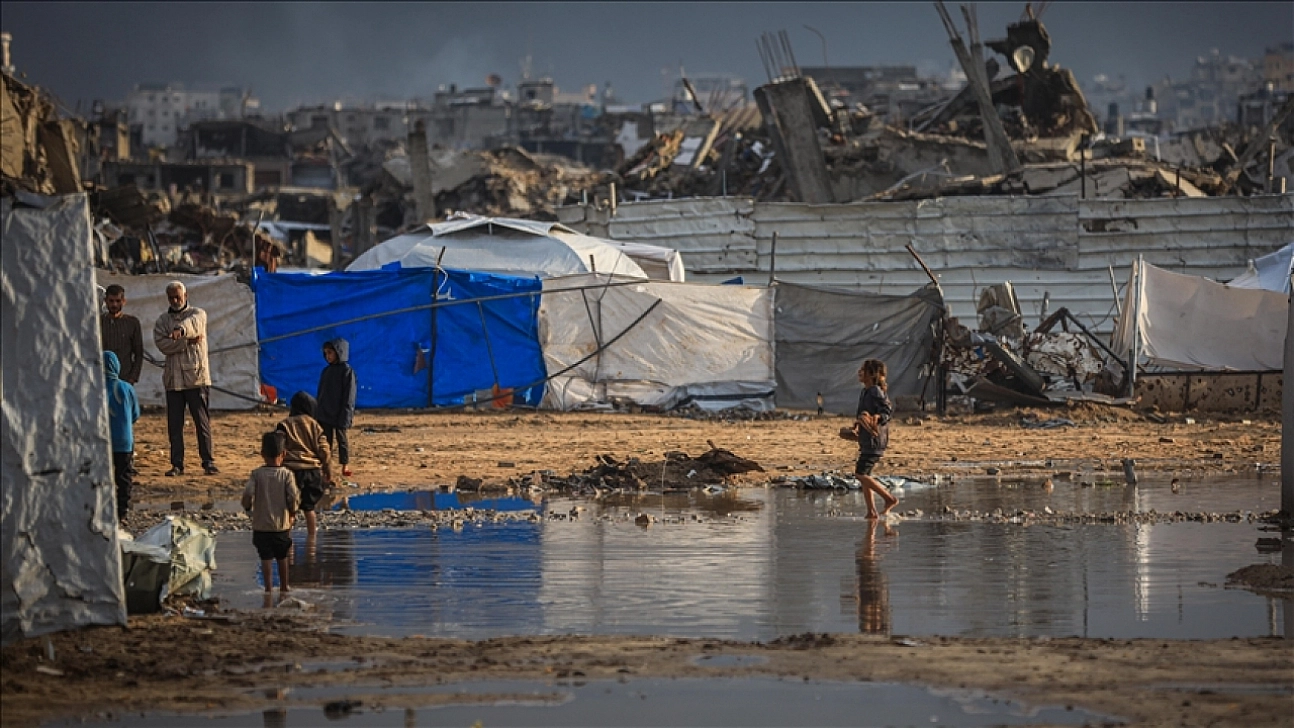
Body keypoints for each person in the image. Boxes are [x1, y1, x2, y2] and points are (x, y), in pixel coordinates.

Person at [153, 281, 218, 476]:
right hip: (173, 380)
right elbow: (162, 344)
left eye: (178, 297)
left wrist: (180, 332)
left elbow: (193, 325)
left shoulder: (198, 313)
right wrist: (186, 342)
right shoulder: (162, 321)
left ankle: (208, 461)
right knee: (175, 425)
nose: (175, 301)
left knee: (201, 423)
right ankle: (177, 464)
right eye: (171, 297)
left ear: (185, 296)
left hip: (196, 378)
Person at [242, 432, 299, 595]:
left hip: (261, 525)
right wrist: (292, 512)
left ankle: (268, 589)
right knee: (282, 556)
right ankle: (284, 587)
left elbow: (248, 493)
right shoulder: (287, 474)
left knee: (265, 557)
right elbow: (293, 497)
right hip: (281, 525)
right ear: (284, 454)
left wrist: (248, 508)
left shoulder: (256, 474)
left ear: (262, 454)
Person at [277, 391, 334, 538]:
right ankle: (312, 539)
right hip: (312, 471)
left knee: (290, 509)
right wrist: (328, 470)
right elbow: (324, 450)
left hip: (290, 472)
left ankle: (286, 540)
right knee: (309, 509)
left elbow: (278, 447)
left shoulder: (284, 425)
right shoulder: (314, 425)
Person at [851, 358, 899, 519]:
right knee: (866, 476)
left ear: (872, 374)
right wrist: (857, 426)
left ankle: (889, 498)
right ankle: (871, 511)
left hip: (874, 440)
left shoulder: (875, 391)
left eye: (863, 370)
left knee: (860, 474)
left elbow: (887, 410)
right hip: (867, 440)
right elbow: (863, 414)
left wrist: (877, 418)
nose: (859, 372)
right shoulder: (865, 391)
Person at [104, 351, 141, 522]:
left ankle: (105, 509)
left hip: (102, 442)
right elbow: (135, 414)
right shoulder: (126, 388)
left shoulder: (95, 389)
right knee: (124, 477)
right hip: (124, 441)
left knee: (104, 477)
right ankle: (122, 512)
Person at [316, 338, 356, 478]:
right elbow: (321, 393)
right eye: (326, 353)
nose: (328, 356)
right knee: (325, 441)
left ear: (339, 352)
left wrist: (346, 415)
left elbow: (349, 396)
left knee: (342, 440)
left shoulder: (347, 371)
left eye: (330, 353)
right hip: (325, 413)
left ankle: (345, 465)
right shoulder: (326, 371)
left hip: (340, 413)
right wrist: (318, 410)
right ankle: (326, 466)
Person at [100, 284, 144, 385]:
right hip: (103, 379)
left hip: (125, 379)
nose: (114, 304)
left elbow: (138, 353)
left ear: (123, 301)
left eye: (118, 301)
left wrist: (132, 378)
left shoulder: (132, 323)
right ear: (105, 301)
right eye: (111, 301)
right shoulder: (99, 322)